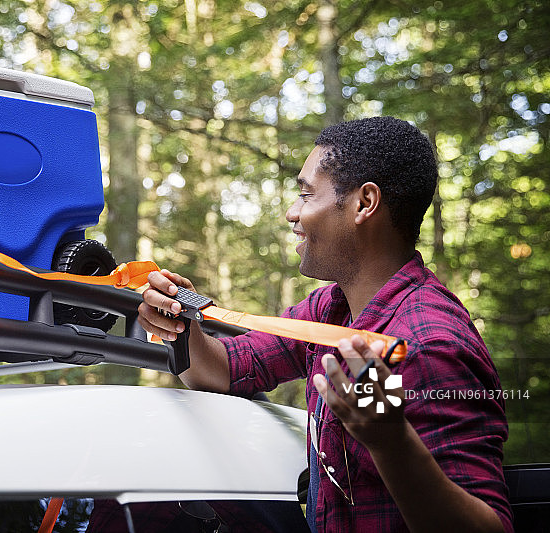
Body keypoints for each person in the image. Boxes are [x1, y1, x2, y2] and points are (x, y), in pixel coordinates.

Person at [138, 116, 513, 532]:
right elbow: (226, 369)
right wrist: (183, 327)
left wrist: (392, 444)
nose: (291, 213)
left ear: (364, 203)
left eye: (305, 194)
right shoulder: (331, 308)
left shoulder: (428, 344)